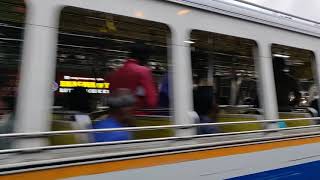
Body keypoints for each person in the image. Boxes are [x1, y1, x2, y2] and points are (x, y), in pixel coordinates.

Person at [107, 42, 158, 112]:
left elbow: (110, 97)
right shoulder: (143, 71)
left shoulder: (115, 73)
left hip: (117, 118)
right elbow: (151, 102)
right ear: (144, 57)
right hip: (137, 117)